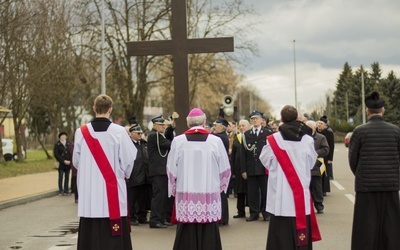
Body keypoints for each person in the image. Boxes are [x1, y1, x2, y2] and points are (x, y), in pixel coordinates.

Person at [73, 94, 137, 250]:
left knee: (91, 230)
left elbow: (76, 161)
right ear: (110, 110)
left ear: (94, 109)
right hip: (113, 192)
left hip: (89, 193)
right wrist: (123, 174)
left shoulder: (81, 132)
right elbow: (129, 160)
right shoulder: (119, 131)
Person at [167, 108, 231, 250]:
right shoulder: (216, 141)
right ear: (204, 122)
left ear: (188, 124)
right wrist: (221, 187)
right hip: (208, 192)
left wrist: (173, 187)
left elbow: (171, 170)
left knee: (186, 229)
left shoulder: (178, 141)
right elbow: (225, 170)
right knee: (208, 227)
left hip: (186, 192)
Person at [260, 105, 321, 249]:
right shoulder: (307, 139)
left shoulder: (273, 139)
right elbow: (311, 162)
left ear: (281, 119)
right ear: (297, 118)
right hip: (300, 192)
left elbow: (265, 161)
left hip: (281, 195)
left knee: (280, 232)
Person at [348, 91, 400, 250]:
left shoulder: (359, 131)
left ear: (367, 111)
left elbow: (353, 159)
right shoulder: (395, 130)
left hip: (366, 186)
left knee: (366, 224)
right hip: (390, 184)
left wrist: (361, 174)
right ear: (383, 110)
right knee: (391, 223)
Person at [240, 110, 273, 222]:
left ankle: (266, 212)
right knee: (252, 192)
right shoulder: (246, 134)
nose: (255, 120)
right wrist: (243, 170)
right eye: (253, 119)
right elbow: (243, 153)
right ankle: (254, 213)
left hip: (264, 167)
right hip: (251, 167)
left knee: (265, 192)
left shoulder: (267, 133)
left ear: (261, 120)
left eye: (257, 118)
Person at [147, 113, 177, 228]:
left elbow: (168, 136)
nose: (163, 127)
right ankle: (155, 220)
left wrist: (171, 126)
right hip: (157, 171)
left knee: (164, 196)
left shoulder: (159, 135)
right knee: (159, 196)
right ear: (155, 125)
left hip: (161, 170)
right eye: (161, 125)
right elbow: (169, 143)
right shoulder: (154, 136)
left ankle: (162, 218)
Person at [126, 124, 150, 226]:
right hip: (133, 175)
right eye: (138, 133)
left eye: (141, 133)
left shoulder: (144, 144)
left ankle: (142, 216)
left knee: (142, 198)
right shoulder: (128, 144)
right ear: (131, 134)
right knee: (132, 198)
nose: (140, 134)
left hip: (144, 174)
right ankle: (131, 217)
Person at [306, 120, 329, 214]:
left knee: (317, 187)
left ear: (314, 128)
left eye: (310, 127)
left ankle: (319, 205)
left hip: (316, 166)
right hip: (304, 167)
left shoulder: (321, 137)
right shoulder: (301, 137)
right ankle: (307, 206)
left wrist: (314, 154)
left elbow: (326, 149)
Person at [231, 119, 251, 218]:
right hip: (239, 169)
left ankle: (253, 210)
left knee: (251, 191)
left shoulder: (251, 137)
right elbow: (233, 156)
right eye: (240, 126)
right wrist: (233, 171)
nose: (241, 127)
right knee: (240, 191)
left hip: (250, 168)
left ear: (249, 126)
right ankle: (241, 211)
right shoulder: (237, 138)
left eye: (243, 125)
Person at [212, 117, 230, 225]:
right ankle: (223, 217)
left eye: (216, 125)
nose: (214, 127)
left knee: (221, 194)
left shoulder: (220, 138)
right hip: (222, 166)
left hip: (220, 167)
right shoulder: (222, 136)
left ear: (222, 127)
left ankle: (222, 217)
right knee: (222, 193)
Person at [317, 115, 335, 193]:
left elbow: (331, 146)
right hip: (317, 156)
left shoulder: (329, 133)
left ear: (325, 125)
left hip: (326, 156)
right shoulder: (315, 133)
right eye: (319, 123)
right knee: (318, 172)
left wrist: (330, 158)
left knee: (325, 172)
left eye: (321, 124)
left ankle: (324, 189)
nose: (320, 125)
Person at [54, 132, 72, 196]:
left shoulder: (68, 144)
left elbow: (71, 152)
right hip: (61, 164)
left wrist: (70, 161)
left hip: (68, 164)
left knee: (67, 177)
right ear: (60, 137)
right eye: (62, 136)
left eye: (64, 136)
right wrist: (63, 161)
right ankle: (61, 190)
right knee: (61, 177)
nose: (63, 137)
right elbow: (56, 154)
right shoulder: (57, 144)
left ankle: (66, 189)